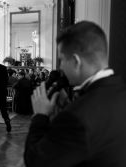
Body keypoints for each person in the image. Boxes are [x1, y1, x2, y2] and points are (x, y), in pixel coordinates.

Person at [24, 21, 126, 167]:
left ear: (76, 61)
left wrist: (40, 116)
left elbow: (35, 161)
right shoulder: (120, 90)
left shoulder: (75, 117)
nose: (60, 67)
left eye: (62, 60)